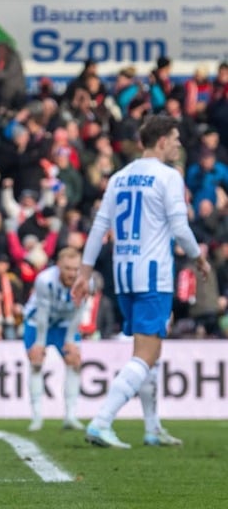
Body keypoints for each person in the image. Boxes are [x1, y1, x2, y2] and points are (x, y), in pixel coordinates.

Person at [72, 115, 210, 449]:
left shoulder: (119, 177)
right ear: (161, 140)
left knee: (149, 351)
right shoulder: (168, 176)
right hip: (153, 274)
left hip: (123, 274)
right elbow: (179, 226)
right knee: (147, 354)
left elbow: (98, 227)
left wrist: (85, 272)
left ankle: (151, 427)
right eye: (175, 138)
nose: (179, 144)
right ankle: (102, 421)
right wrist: (198, 257)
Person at [22, 247, 86, 432]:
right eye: (67, 268)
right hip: (38, 322)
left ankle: (71, 416)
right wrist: (40, 343)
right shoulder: (44, 280)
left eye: (75, 268)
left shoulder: (85, 281)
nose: (72, 273)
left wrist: (70, 341)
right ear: (58, 266)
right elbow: (42, 313)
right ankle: (36, 417)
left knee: (74, 360)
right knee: (36, 361)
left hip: (65, 322)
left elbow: (79, 312)